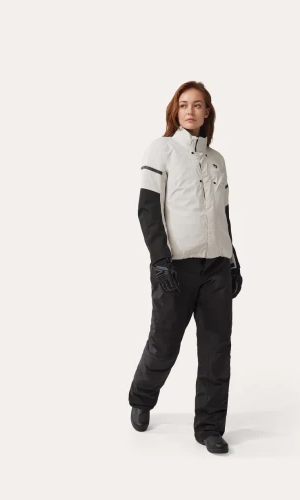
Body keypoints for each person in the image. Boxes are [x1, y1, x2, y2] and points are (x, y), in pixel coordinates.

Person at [128, 81, 243, 454]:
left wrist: (233, 260)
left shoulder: (217, 160)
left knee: (216, 350)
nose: (190, 111)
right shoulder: (161, 150)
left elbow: (223, 216)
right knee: (164, 345)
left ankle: (209, 427)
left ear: (207, 112)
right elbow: (148, 209)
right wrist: (160, 260)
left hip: (216, 268)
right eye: (183, 105)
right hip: (174, 268)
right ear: (175, 111)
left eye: (197, 105)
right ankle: (142, 397)